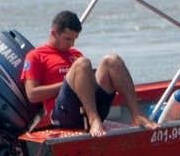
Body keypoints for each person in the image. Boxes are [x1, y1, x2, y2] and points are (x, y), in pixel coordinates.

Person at [21, 10, 158, 137]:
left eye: (75, 39)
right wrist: (68, 83)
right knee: (83, 63)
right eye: (68, 39)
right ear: (54, 33)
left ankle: (138, 116)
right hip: (64, 113)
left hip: (89, 104)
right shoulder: (36, 56)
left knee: (112, 60)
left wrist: (91, 77)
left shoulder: (75, 54)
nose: (72, 44)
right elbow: (32, 94)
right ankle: (94, 120)